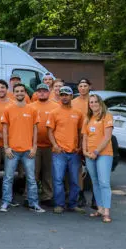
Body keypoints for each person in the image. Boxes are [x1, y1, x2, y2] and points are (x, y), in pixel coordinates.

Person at [0, 84, 44, 213]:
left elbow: (35, 129)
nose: (19, 93)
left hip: (28, 151)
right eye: (17, 91)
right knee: (8, 178)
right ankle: (6, 202)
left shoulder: (32, 110)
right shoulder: (8, 109)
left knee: (31, 178)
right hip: (12, 150)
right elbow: (4, 130)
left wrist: (34, 147)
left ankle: (33, 203)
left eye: (21, 91)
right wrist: (6, 147)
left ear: (25, 93)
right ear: (13, 93)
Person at [47, 86, 85, 214]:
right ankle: (59, 204)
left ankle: (73, 204)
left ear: (71, 96)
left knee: (75, 180)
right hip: (59, 152)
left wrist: (80, 146)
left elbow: (81, 131)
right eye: (62, 94)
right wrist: (55, 145)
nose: (64, 97)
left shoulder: (78, 113)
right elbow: (50, 131)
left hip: (74, 152)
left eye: (67, 95)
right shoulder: (54, 112)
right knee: (58, 179)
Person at [82, 94, 114, 223]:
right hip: (90, 155)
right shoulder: (88, 118)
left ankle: (106, 212)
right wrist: (85, 151)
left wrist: (96, 151)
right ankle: (100, 209)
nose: (93, 104)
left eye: (95, 102)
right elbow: (84, 137)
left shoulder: (107, 116)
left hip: (103, 154)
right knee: (95, 182)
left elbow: (107, 137)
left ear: (100, 103)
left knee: (104, 183)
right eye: (91, 102)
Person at [30, 83, 59, 205]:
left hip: (50, 146)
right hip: (34, 145)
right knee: (33, 173)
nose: (42, 93)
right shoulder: (30, 106)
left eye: (44, 91)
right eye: (39, 91)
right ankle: (30, 197)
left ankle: (47, 196)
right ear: (36, 93)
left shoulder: (56, 106)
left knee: (48, 173)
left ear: (49, 92)